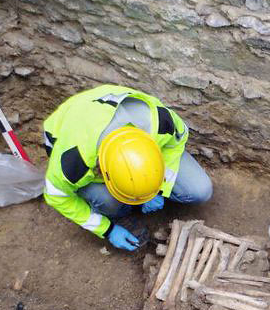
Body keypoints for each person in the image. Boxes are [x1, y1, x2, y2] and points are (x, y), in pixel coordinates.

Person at [42, 84, 212, 251]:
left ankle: (136, 194)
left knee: (200, 190)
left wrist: (160, 187)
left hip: (110, 115)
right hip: (69, 131)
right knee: (106, 200)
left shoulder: (159, 122)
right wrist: (107, 229)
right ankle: (120, 213)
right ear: (102, 172)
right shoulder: (74, 163)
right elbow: (56, 195)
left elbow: (176, 142)